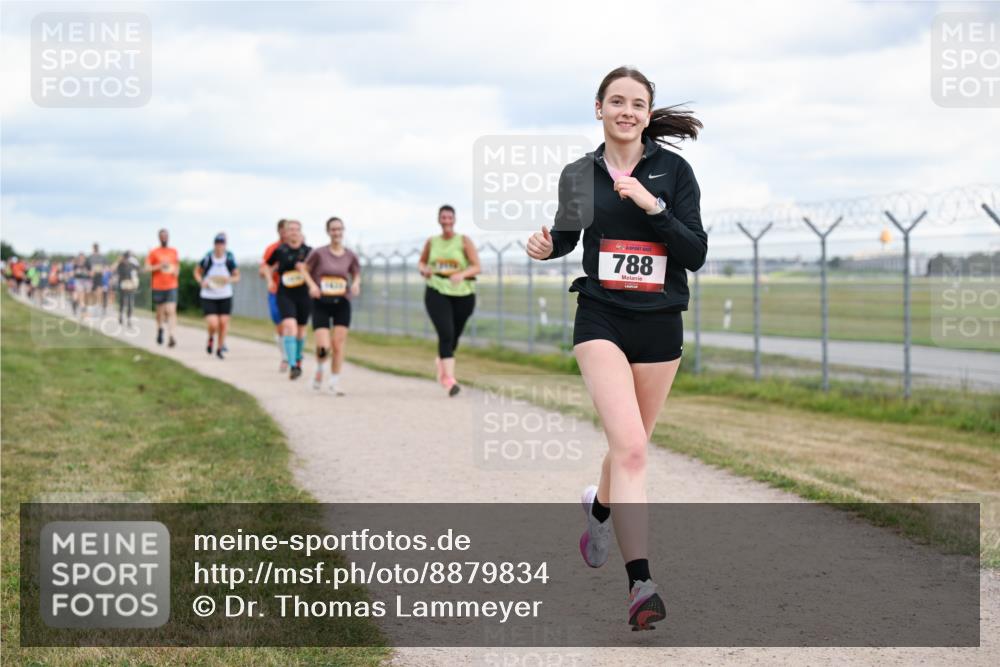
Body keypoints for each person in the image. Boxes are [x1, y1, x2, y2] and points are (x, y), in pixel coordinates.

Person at [525, 66, 706, 631]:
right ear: (599, 107)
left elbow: (695, 253)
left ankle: (599, 509)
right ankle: (641, 585)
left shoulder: (674, 171)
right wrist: (546, 244)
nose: (627, 111)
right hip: (600, 316)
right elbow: (567, 236)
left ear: (648, 114)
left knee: (631, 446)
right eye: (617, 101)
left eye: (638, 103)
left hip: (660, 325)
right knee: (631, 449)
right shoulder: (580, 174)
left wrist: (654, 208)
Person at [417, 205, 480, 396]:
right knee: (446, 333)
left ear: (454, 219)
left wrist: (461, 274)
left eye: (449, 217)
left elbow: (477, 266)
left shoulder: (464, 241)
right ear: (439, 220)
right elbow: (422, 262)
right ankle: (449, 380)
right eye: (443, 217)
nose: (446, 221)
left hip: (463, 293)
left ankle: (442, 363)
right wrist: (424, 270)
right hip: (437, 290)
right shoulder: (432, 242)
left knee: (454, 335)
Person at [302, 217, 361, 395]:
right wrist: (312, 285)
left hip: (342, 302)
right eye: (333, 229)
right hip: (321, 302)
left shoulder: (350, 255)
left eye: (339, 229)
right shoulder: (319, 253)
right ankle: (319, 369)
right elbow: (304, 269)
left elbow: (356, 272)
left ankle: (334, 381)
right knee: (323, 346)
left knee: (338, 344)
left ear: (343, 231)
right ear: (328, 232)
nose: (336, 233)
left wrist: (356, 283)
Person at [263, 220, 312, 379]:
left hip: (304, 294)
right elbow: (266, 266)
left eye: (296, 230)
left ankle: (298, 359)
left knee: (301, 329)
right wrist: (270, 280)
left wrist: (307, 271)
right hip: (285, 294)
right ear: (286, 232)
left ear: (300, 232)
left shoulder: (309, 251)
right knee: (290, 326)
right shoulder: (280, 250)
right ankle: (292, 364)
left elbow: (317, 269)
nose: (293, 232)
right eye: (290, 230)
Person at [194, 233, 240, 359]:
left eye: (222, 244)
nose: (220, 246)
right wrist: (201, 281)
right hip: (209, 295)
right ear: (214, 245)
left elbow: (237, 276)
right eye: (218, 244)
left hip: (224, 294)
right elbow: (197, 272)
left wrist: (228, 279)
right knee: (214, 323)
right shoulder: (208, 258)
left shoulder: (229, 259)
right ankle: (210, 338)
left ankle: (220, 348)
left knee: (223, 322)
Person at [260, 219, 290, 372]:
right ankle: (285, 354)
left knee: (290, 325)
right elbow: (262, 271)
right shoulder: (272, 249)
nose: (287, 233)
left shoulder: (298, 247)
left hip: (292, 293)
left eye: (290, 230)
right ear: (279, 231)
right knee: (280, 327)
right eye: (284, 230)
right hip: (276, 292)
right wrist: (273, 271)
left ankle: (292, 357)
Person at [145, 228, 180, 347]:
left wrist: (176, 271)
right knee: (160, 312)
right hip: (158, 286)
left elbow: (177, 266)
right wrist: (159, 266)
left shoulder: (173, 251)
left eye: (166, 236)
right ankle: (160, 329)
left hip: (172, 285)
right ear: (159, 238)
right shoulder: (154, 252)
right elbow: (147, 268)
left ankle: (171, 336)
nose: (164, 238)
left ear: (168, 237)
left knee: (171, 311)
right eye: (162, 236)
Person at [115, 250, 140, 327]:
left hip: (131, 285)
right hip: (123, 285)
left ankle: (129, 319)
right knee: (123, 301)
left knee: (130, 303)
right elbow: (114, 270)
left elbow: (138, 272)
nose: (127, 259)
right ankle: (121, 315)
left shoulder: (133, 265)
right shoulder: (120, 265)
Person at [71, 252, 92, 317]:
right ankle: (83, 311)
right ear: (79, 258)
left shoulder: (88, 264)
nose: (82, 259)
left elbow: (91, 273)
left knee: (86, 296)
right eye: (80, 258)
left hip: (87, 281)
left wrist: (87, 272)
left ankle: (76, 304)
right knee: (81, 295)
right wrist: (75, 272)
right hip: (79, 281)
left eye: (83, 258)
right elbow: (73, 273)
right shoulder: (76, 265)